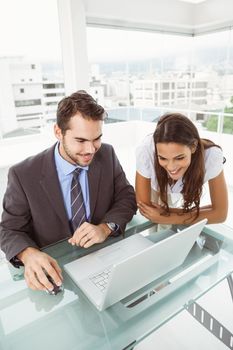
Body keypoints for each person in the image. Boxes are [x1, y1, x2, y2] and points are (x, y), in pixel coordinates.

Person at [0, 90, 137, 292]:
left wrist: (105, 228)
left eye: (97, 138)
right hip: (56, 276)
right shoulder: (23, 174)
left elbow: (126, 197)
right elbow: (9, 229)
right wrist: (28, 254)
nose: (91, 149)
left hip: (104, 262)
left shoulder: (106, 154)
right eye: (81, 141)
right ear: (58, 132)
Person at [135, 112, 228, 226]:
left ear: (193, 146)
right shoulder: (146, 151)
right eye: (163, 158)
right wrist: (189, 214)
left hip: (179, 191)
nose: (171, 167)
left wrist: (168, 217)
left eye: (179, 158)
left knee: (164, 223)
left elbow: (220, 214)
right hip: (155, 188)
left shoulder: (212, 156)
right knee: (153, 225)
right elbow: (145, 208)